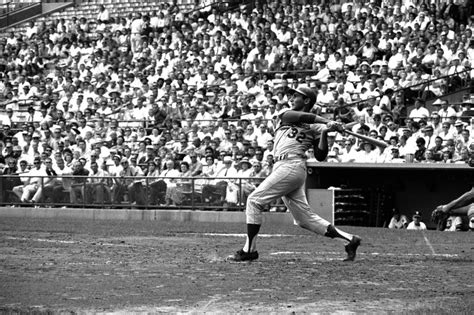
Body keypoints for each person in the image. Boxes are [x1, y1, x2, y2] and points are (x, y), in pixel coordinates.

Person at [227, 86, 361, 262]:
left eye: (297, 96)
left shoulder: (315, 127)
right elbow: (303, 117)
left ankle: (249, 250)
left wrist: (326, 132)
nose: (292, 97)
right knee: (304, 219)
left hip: (291, 165)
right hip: (283, 166)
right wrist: (326, 122)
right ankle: (350, 240)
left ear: (306, 101)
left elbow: (320, 156)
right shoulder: (286, 113)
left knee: (253, 201)